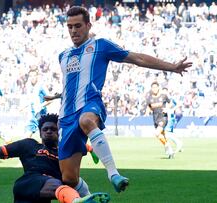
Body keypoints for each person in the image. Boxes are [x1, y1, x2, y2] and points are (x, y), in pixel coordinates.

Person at [44, 6, 192, 193]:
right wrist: (57, 95)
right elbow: (71, 85)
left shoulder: (101, 46)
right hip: (66, 116)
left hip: (90, 104)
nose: (73, 31)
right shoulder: (63, 56)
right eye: (70, 26)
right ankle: (89, 196)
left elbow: (137, 58)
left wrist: (172, 67)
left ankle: (113, 174)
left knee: (86, 120)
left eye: (78, 26)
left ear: (88, 25)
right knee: (69, 179)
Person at [0, 114, 110, 203]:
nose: (49, 131)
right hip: (28, 184)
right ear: (40, 132)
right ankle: (75, 201)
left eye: (53, 129)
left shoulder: (65, 152)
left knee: (68, 183)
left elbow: (87, 146)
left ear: (59, 132)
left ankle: (77, 199)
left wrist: (92, 150)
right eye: (45, 129)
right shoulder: (29, 145)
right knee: (58, 184)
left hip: (42, 197)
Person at [146, 82, 174, 158]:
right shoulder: (149, 98)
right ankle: (170, 151)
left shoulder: (163, 96)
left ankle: (166, 146)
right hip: (155, 118)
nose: (154, 89)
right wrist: (147, 112)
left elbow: (171, 103)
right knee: (162, 135)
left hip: (163, 117)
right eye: (153, 88)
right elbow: (149, 107)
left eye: (155, 87)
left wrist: (167, 108)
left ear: (158, 88)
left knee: (157, 133)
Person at [161, 87, 183, 153]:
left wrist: (172, 110)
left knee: (166, 133)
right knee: (164, 133)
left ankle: (178, 144)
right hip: (164, 118)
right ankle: (169, 148)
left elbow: (179, 104)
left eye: (165, 92)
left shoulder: (171, 99)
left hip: (170, 117)